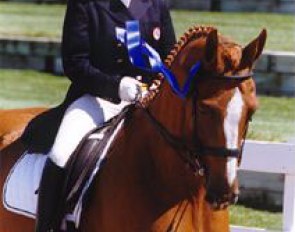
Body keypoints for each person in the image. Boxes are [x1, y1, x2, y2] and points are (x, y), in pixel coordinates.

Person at [34, 0, 176, 231]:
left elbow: (170, 60)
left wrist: (154, 89)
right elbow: (75, 63)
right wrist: (116, 86)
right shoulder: (85, 5)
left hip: (146, 104)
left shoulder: (156, 4)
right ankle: (47, 226)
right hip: (97, 99)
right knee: (61, 154)